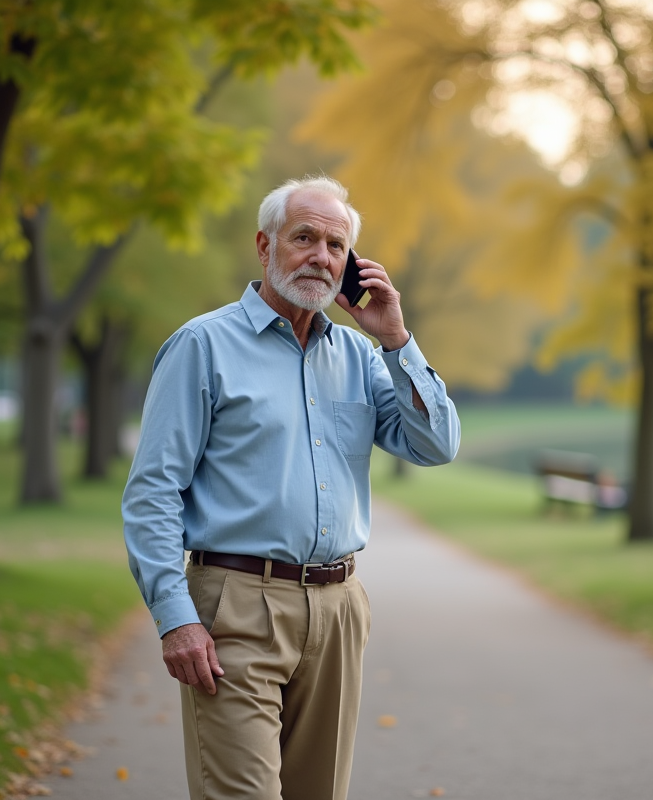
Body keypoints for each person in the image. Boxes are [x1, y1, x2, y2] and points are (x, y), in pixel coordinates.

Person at [122, 175, 461, 800]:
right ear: (264, 245)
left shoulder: (364, 357)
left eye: (336, 245)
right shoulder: (202, 346)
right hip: (234, 610)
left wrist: (396, 340)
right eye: (304, 237)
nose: (320, 257)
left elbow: (435, 444)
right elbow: (152, 494)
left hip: (337, 610)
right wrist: (176, 620)